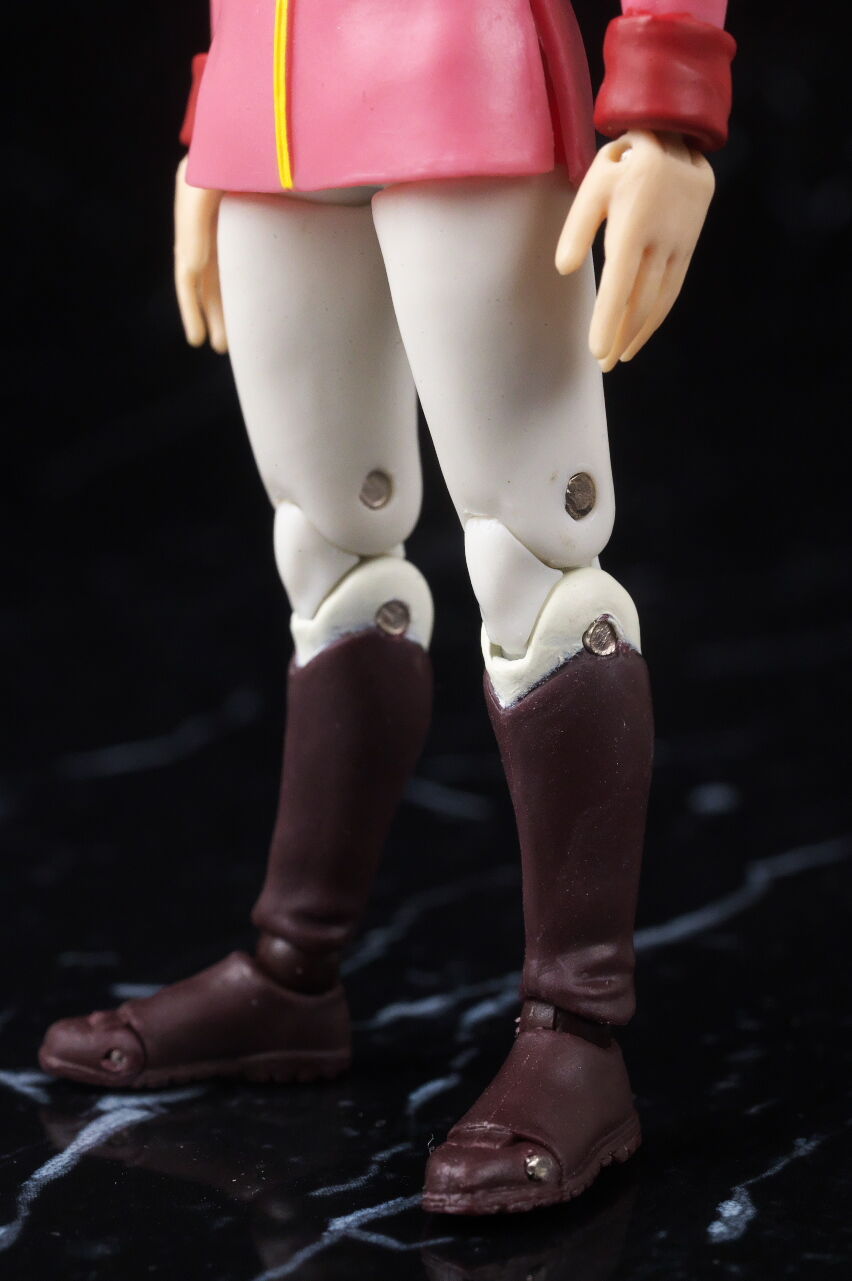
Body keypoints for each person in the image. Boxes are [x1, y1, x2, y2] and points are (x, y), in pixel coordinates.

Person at [39, 0, 735, 1214]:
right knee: (328, 552)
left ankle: (577, 1026)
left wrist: (668, 99)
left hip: (461, 78)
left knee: (536, 557)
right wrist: (215, 111)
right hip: (271, 108)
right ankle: (291, 972)